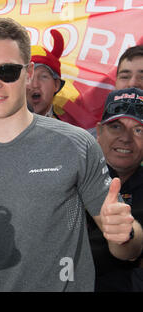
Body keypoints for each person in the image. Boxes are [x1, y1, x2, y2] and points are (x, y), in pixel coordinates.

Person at [0, 17, 142, 292]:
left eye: (7, 71)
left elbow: (128, 248)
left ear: (28, 73)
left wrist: (124, 234)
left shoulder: (76, 144)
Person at [87, 87, 143, 291]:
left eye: (138, 130)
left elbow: (131, 249)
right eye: (116, 127)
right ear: (99, 131)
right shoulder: (71, 176)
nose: (126, 138)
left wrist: (124, 234)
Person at [26, 29, 65, 118]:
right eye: (27, 77)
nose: (35, 85)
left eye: (43, 76)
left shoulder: (72, 126)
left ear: (56, 84)